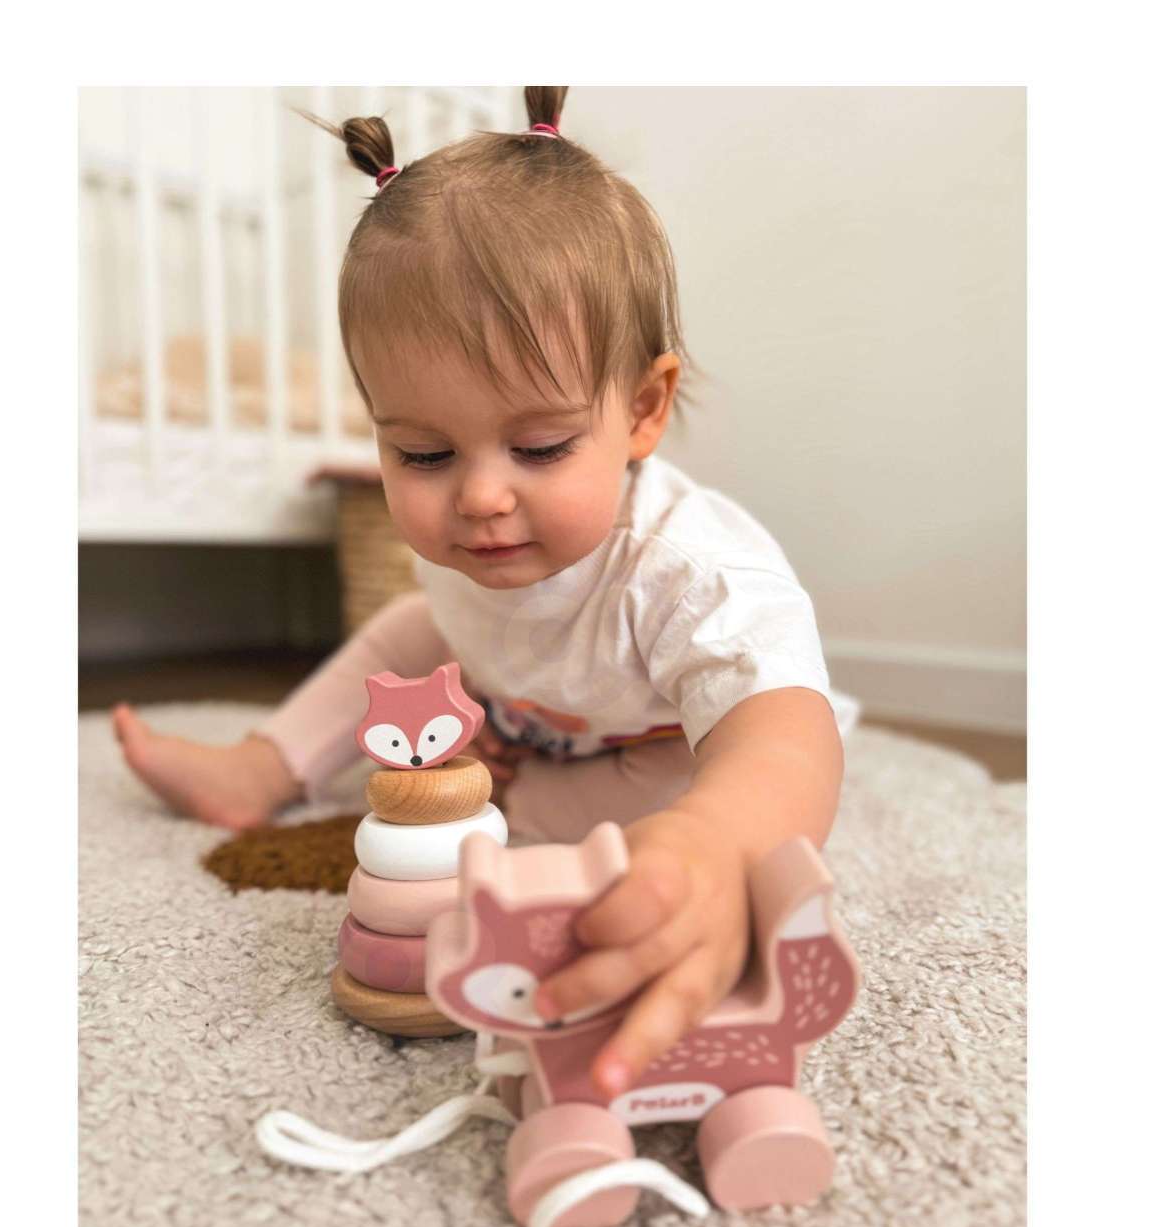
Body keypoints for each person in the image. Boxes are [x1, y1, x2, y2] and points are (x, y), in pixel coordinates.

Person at [113, 86, 854, 1100]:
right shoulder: (467, 540)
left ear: (642, 410)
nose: (479, 499)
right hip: (536, 715)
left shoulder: (690, 573)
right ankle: (262, 765)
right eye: (423, 454)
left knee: (637, 843)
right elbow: (446, 625)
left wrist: (719, 843)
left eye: (540, 446)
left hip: (665, 750)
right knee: (408, 629)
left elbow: (785, 736)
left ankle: (561, 807)